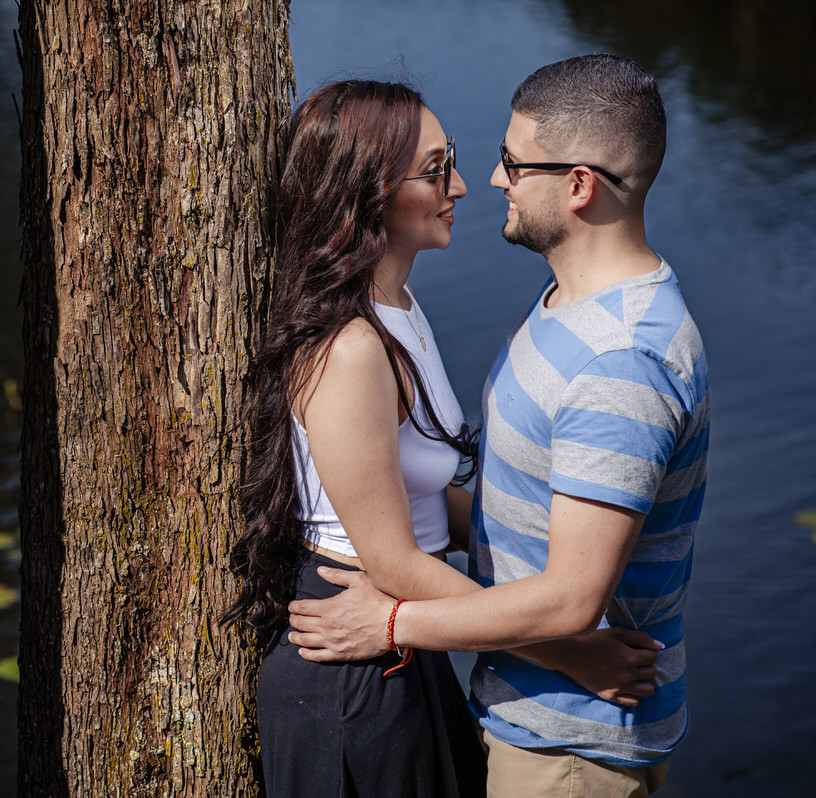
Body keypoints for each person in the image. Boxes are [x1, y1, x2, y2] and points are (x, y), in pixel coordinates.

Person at [222, 78, 662, 798]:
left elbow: (427, 499)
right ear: (370, 194)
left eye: (450, 159)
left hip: (401, 632)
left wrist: (549, 547)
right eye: (434, 171)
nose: (461, 183)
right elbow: (392, 561)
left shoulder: (399, 304)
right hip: (350, 661)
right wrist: (567, 652)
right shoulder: (352, 348)